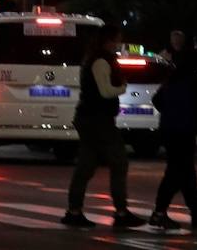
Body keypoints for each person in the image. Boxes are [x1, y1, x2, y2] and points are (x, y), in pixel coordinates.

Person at [61, 23, 145, 229]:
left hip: (89, 118)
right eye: (117, 39)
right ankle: (121, 212)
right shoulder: (101, 61)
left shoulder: (94, 58)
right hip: (98, 120)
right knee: (119, 161)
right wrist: (122, 88)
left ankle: (74, 211)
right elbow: (106, 92)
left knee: (86, 165)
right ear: (109, 40)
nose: (118, 44)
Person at [148, 49, 197, 230]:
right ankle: (159, 212)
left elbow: (157, 99)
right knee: (177, 173)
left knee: (185, 172)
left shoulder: (174, 78)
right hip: (184, 131)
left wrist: (171, 112)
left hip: (169, 130)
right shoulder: (194, 81)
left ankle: (194, 211)